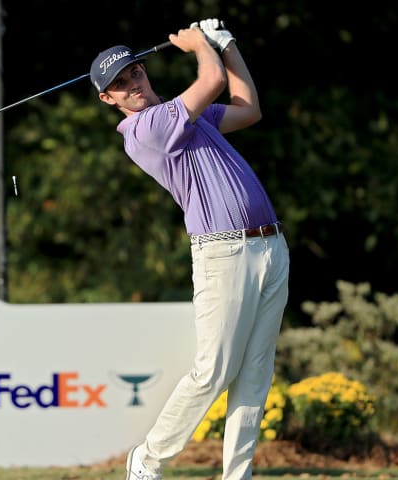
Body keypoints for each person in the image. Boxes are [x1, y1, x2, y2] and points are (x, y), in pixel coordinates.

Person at [89, 18, 291, 480]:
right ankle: (148, 459)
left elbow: (247, 108)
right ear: (109, 99)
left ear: (143, 71)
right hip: (223, 255)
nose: (132, 86)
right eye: (119, 86)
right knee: (213, 371)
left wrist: (228, 45)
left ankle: (237, 476)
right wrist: (202, 45)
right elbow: (212, 79)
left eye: (134, 73)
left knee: (255, 377)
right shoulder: (146, 129)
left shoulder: (189, 116)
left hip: (269, 246)